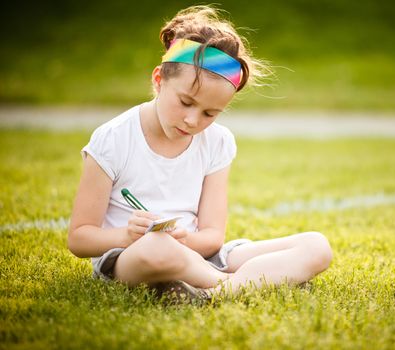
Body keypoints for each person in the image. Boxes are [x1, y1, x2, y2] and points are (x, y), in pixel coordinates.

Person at [67, 5, 332, 302]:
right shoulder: (113, 138)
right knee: (159, 248)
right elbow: (79, 237)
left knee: (316, 246)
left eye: (209, 113)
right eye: (185, 102)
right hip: (131, 257)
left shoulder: (217, 142)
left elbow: (212, 237)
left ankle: (210, 291)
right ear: (158, 80)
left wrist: (188, 241)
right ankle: (247, 284)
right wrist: (126, 236)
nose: (193, 121)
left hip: (199, 256)